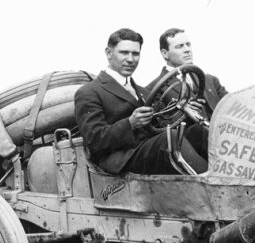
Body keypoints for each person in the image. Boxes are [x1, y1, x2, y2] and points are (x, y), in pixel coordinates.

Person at [74, 28, 207, 175]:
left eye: (135, 54)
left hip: (146, 148)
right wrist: (130, 123)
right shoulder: (89, 92)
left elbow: (160, 125)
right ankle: (213, 183)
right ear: (108, 53)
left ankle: (228, 177)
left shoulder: (143, 91)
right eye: (124, 53)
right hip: (121, 158)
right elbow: (95, 141)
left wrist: (184, 110)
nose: (131, 59)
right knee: (169, 139)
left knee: (197, 131)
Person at [146, 28, 228, 131]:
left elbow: (233, 105)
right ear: (165, 53)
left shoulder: (210, 81)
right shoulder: (153, 89)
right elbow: (161, 128)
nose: (187, 50)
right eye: (179, 46)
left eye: (188, 44)